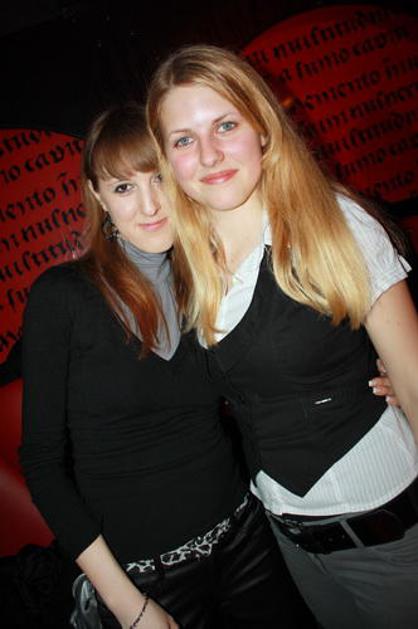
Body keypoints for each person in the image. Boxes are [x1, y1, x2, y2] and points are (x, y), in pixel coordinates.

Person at [146, 44, 418, 628]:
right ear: (167, 159)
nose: (209, 154)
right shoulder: (187, 263)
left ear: (263, 129)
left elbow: (415, 380)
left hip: (392, 540)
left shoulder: (336, 223)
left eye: (225, 125)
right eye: (184, 139)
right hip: (292, 545)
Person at [20, 104, 314, 629]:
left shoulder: (206, 278)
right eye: (124, 187)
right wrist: (127, 605)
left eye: (158, 177)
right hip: (141, 578)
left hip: (249, 540)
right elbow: (42, 463)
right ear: (98, 196)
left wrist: (375, 376)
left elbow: (275, 374)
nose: (150, 204)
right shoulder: (62, 298)